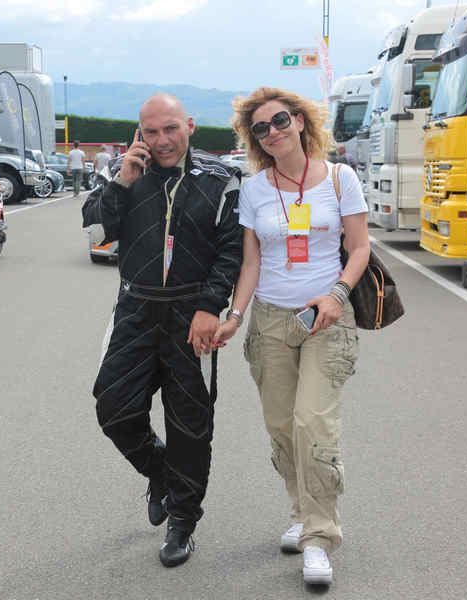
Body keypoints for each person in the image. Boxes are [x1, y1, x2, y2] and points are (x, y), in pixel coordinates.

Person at [213, 87, 370, 586]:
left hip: (326, 317)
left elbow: (360, 248)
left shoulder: (341, 178)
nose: (272, 132)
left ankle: (319, 538)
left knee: (312, 424)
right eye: (260, 128)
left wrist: (337, 295)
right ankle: (302, 512)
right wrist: (235, 315)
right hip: (271, 321)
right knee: (282, 428)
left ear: (300, 121)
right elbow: (252, 262)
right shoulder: (254, 189)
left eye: (280, 120)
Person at [81, 94, 242, 568]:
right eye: (150, 132)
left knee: (190, 424)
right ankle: (162, 473)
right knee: (114, 408)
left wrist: (211, 306)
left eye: (170, 129)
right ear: (139, 133)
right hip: (135, 308)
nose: (162, 141)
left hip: (192, 314)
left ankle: (183, 520)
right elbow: (96, 233)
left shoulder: (220, 178)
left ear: (189, 125)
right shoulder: (124, 173)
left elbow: (232, 249)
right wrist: (122, 182)